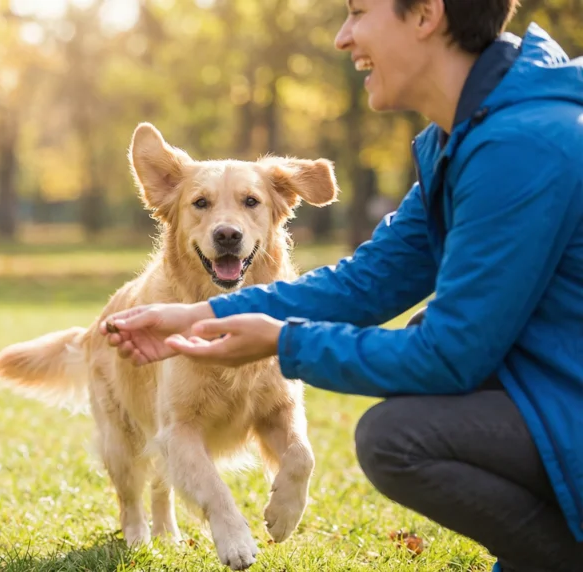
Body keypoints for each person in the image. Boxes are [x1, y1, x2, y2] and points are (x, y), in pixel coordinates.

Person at [100, 0, 583, 570]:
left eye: (357, 12)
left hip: (565, 399)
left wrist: (282, 342)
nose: (341, 38)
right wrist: (198, 313)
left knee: (396, 436)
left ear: (426, 14)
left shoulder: (521, 145)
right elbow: (364, 284)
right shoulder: (462, 138)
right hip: (550, 390)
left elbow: (451, 356)